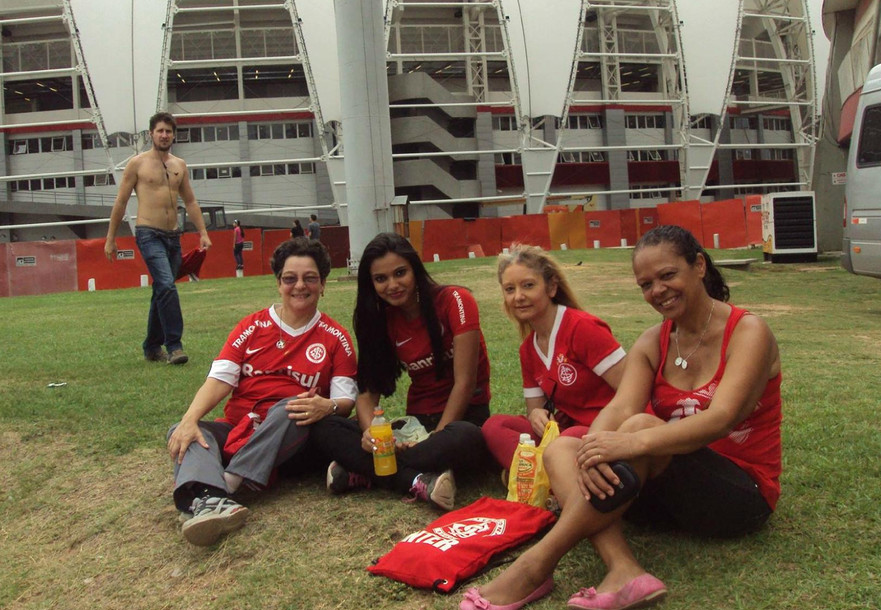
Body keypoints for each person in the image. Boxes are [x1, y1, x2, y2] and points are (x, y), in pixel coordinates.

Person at [459, 225, 782, 610]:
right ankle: (625, 568)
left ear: (699, 265)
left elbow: (721, 418)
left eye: (667, 275)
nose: (658, 290)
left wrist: (632, 443)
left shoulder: (748, 331)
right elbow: (619, 407)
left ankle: (535, 565)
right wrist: (591, 451)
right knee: (562, 449)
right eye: (646, 284)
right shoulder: (653, 341)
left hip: (739, 494)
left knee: (640, 427)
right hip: (663, 495)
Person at [166, 237, 358, 546]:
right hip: (240, 426)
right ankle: (211, 500)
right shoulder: (250, 327)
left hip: (290, 434)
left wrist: (328, 406)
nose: (300, 286)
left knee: (294, 406)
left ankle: (224, 486)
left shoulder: (336, 337)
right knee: (185, 429)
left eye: (310, 278)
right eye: (290, 278)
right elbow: (219, 380)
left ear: (323, 284)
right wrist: (190, 419)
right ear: (278, 283)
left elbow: (345, 399)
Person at [310, 232, 492, 510]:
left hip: (461, 419)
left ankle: (367, 471)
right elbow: (367, 395)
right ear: (371, 283)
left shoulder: (455, 300)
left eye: (400, 273)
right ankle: (415, 477)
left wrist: (436, 437)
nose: (392, 285)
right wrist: (373, 437)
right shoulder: (380, 320)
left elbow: (465, 383)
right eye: (380, 279)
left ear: (414, 269)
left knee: (466, 438)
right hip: (415, 425)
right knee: (326, 427)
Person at [483, 244, 626, 471]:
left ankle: (537, 473)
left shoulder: (582, 328)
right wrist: (536, 415)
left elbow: (633, 390)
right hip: (566, 432)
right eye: (509, 289)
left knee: (567, 440)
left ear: (551, 288)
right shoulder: (528, 349)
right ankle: (545, 474)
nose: (518, 297)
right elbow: (535, 409)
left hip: (607, 430)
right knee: (495, 426)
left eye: (528, 285)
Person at [104, 112, 211, 365]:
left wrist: (203, 232)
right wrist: (111, 238)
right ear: (151, 134)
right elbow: (120, 202)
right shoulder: (137, 164)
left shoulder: (179, 165)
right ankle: (174, 346)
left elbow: (191, 201)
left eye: (168, 131)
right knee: (166, 285)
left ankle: (152, 347)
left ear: (173, 135)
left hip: (173, 236)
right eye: (160, 131)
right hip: (148, 233)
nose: (164, 135)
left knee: (162, 289)